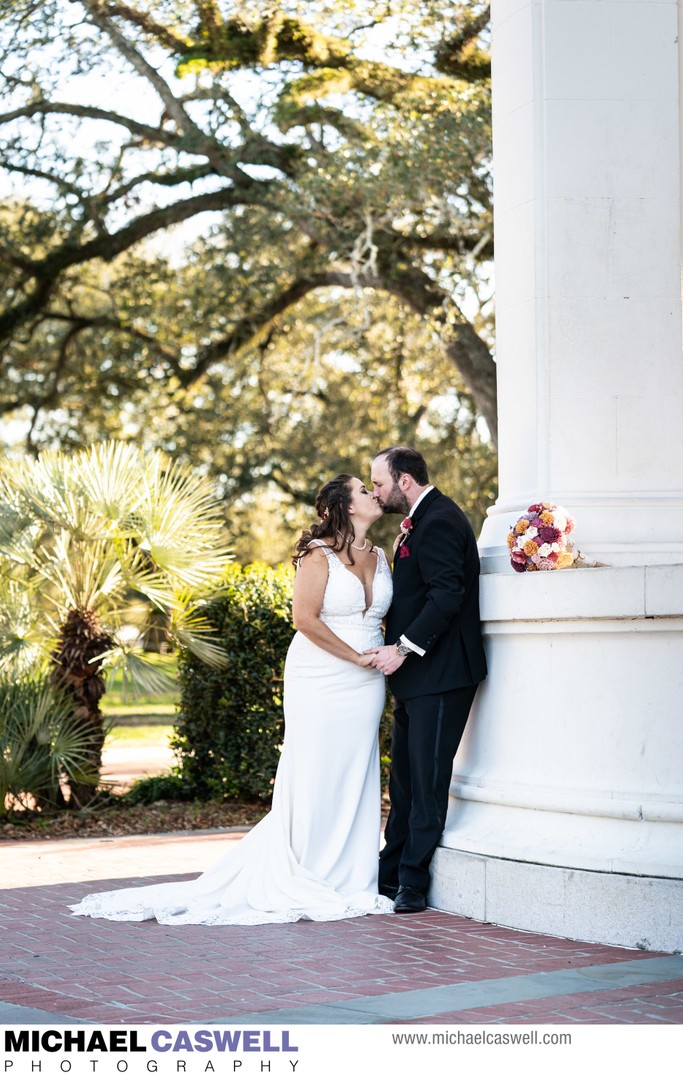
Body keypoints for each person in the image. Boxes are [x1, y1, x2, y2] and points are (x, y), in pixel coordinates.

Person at [70, 475, 395, 926]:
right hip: (321, 673)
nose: (374, 495)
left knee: (356, 768)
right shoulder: (317, 555)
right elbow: (304, 619)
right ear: (340, 507)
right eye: (364, 490)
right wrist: (354, 656)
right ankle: (306, 869)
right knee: (316, 766)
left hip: (366, 682)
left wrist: (386, 653)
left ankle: (351, 873)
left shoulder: (381, 555)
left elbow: (384, 616)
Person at [367, 447, 487, 913]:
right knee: (405, 784)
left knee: (427, 783)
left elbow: (447, 595)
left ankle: (412, 885)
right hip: (418, 677)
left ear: (405, 481)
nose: (376, 491)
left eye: (379, 483)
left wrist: (400, 649)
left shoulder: (438, 520)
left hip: (442, 674)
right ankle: (389, 872)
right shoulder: (423, 517)